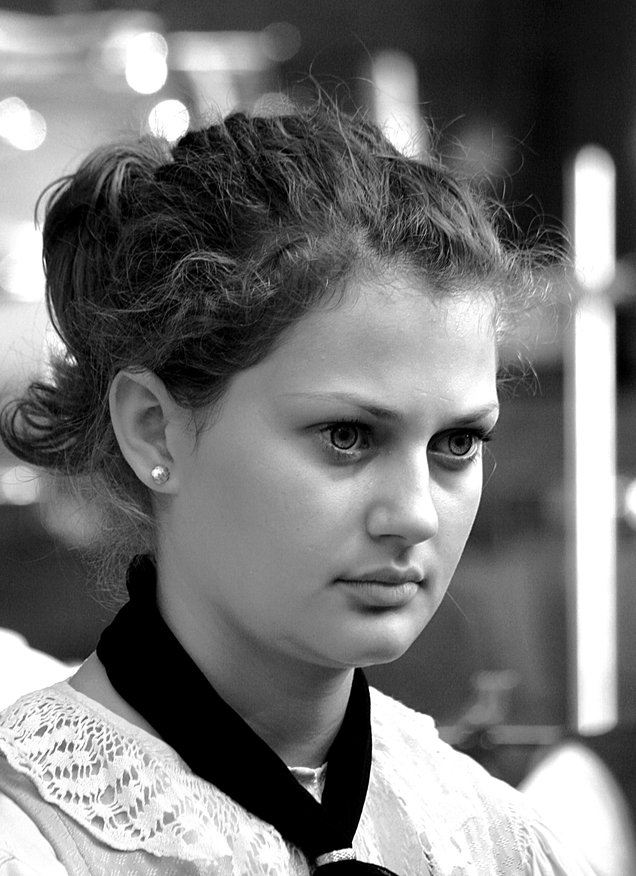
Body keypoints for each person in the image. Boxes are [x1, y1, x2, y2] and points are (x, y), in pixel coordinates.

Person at [0, 101, 592, 875]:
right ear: (153, 430)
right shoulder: (31, 841)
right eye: (346, 436)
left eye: (456, 444)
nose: (414, 514)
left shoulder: (499, 841)